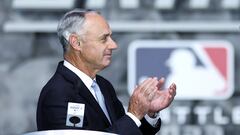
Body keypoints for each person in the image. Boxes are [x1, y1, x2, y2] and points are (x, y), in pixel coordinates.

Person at [36, 9, 176, 135]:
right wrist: (133, 114)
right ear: (76, 42)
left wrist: (148, 113)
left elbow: (127, 131)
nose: (114, 45)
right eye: (104, 39)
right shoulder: (58, 93)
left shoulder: (103, 86)